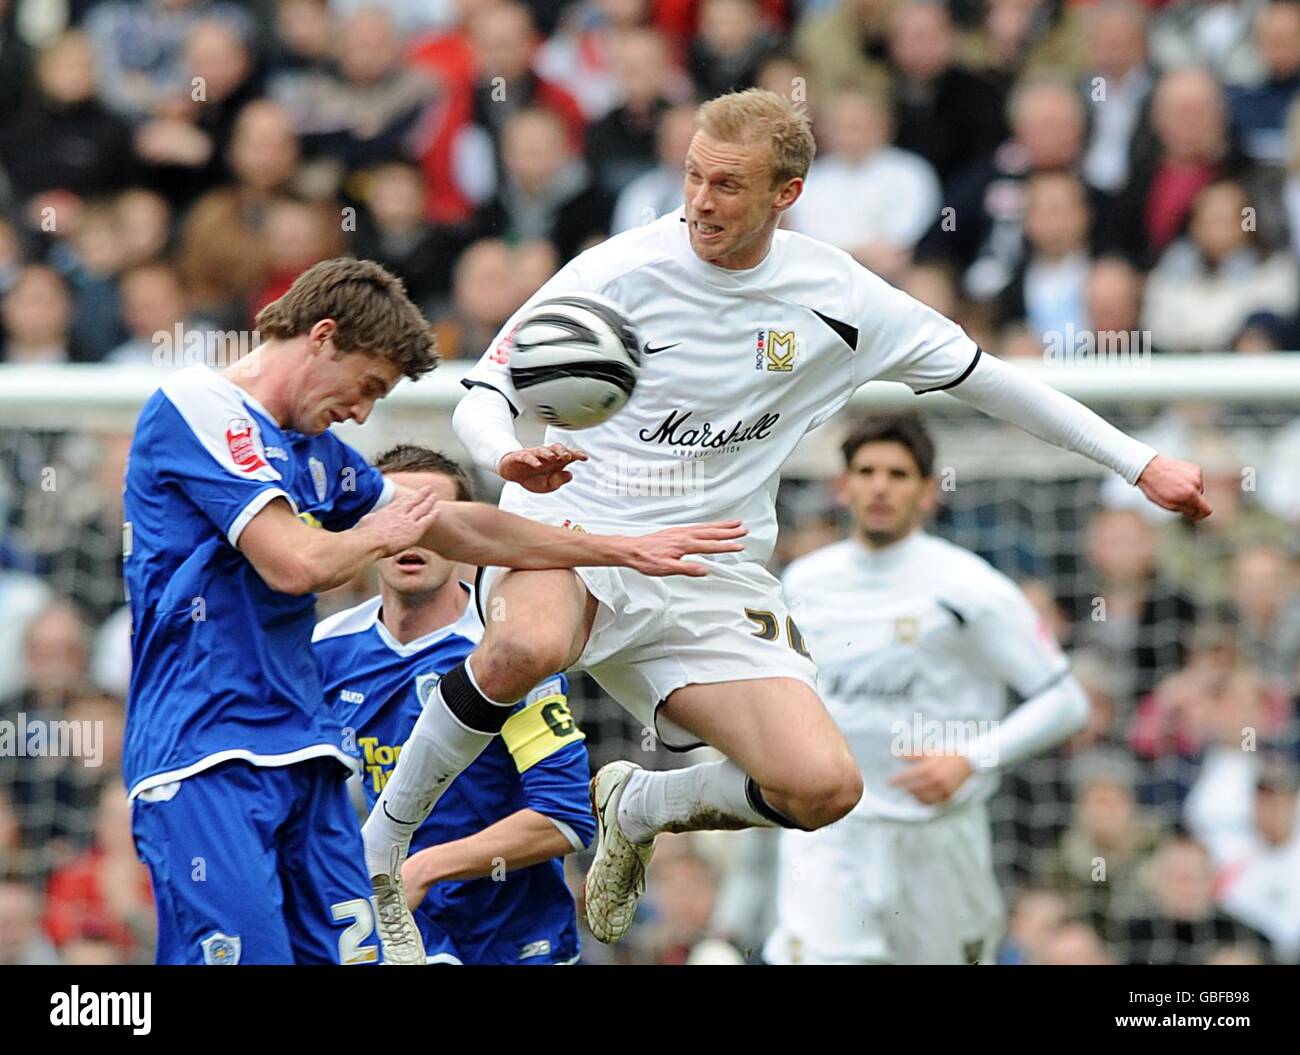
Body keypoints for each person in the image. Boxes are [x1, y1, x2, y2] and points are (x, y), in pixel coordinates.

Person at [363, 88, 1210, 959]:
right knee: (521, 648)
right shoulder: (618, 273)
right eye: (692, 176)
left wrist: (1138, 462)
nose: (700, 201)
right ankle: (385, 845)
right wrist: (506, 454)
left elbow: (989, 377)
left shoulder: (838, 299)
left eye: (727, 184)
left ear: (786, 194)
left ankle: (642, 803)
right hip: (573, 535)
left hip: (707, 572)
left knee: (822, 789)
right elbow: (481, 396)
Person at [122, 256, 742, 965]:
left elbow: (458, 527)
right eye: (367, 387)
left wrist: (620, 548)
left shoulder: (318, 455)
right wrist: (378, 531)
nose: (360, 411)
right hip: (207, 751)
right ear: (322, 337)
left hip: (306, 757)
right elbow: (293, 563)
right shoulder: (196, 405)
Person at [763, 414, 1088, 964]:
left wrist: (971, 759)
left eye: (898, 473)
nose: (880, 486)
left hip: (937, 835)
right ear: (843, 487)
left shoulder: (971, 587)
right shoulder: (804, 583)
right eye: (866, 471)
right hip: (832, 829)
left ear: (929, 492)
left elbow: (1065, 702)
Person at [313, 445, 594, 964]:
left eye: (434, 521)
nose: (412, 537)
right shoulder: (326, 650)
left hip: (512, 938)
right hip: (393, 934)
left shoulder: (506, 651)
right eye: (396, 517)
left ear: (466, 537)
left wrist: (421, 867)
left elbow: (564, 817)